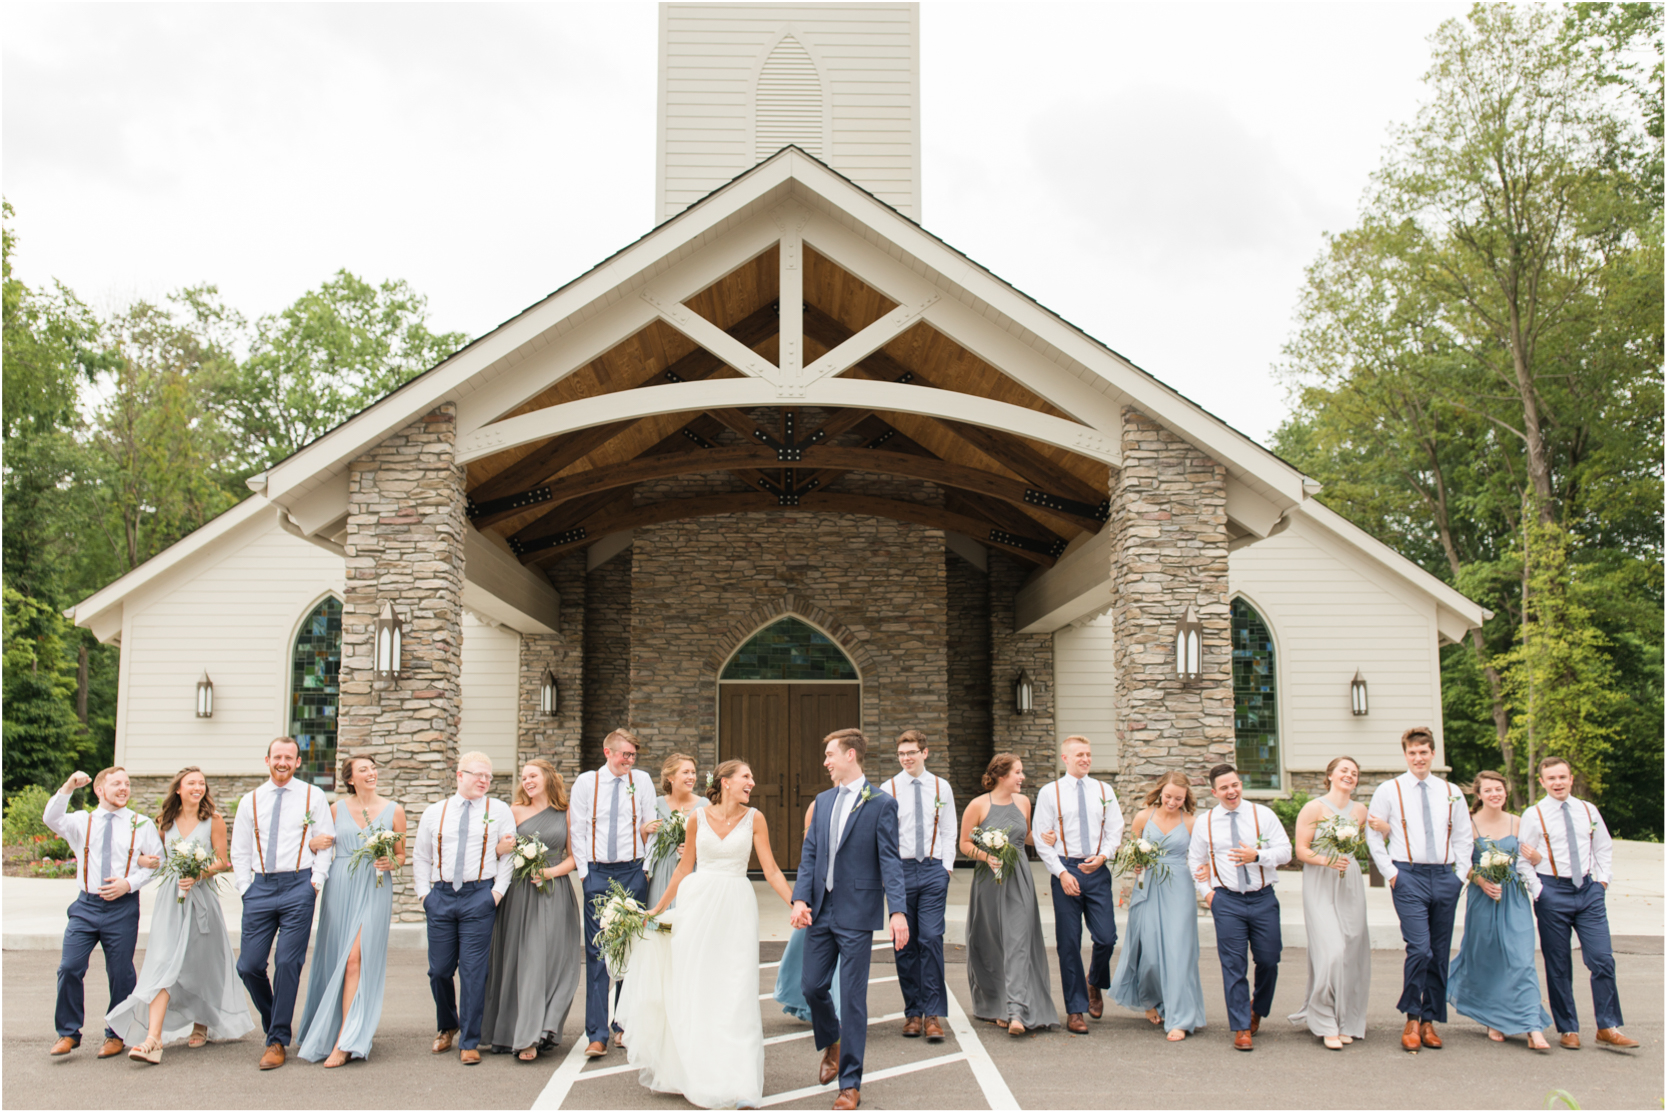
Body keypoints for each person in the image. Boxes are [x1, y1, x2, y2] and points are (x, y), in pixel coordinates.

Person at [619, 759, 798, 1108]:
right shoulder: (696, 819)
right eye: (746, 776)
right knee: (697, 987)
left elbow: (773, 870)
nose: (753, 782)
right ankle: (694, 1072)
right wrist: (657, 909)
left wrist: (797, 904)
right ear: (726, 782)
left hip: (735, 906)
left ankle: (736, 1078)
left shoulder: (755, 818)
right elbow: (684, 869)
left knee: (734, 990)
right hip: (697, 905)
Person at [791, 728, 910, 1111]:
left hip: (858, 913)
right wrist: (799, 900)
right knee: (811, 987)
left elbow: (890, 861)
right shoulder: (823, 801)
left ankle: (850, 1083)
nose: (825, 762)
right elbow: (810, 855)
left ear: (851, 755)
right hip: (821, 912)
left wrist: (898, 911)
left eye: (830, 755)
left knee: (854, 999)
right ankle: (832, 1040)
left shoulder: (881, 803)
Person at [108, 767, 251, 1063]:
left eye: (201, 783)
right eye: (191, 783)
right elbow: (157, 860)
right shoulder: (164, 822)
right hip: (171, 900)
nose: (197, 787)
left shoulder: (214, 821)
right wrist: (146, 861)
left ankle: (202, 1021)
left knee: (202, 962)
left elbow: (223, 860)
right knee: (162, 961)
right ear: (178, 789)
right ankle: (153, 1038)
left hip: (202, 899)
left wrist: (199, 873)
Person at [1365, 726, 1474, 1052]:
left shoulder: (1451, 791)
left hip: (1444, 877)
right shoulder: (1389, 790)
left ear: (1432, 754)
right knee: (1420, 949)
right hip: (1408, 876)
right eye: (1412, 753)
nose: (1418, 758)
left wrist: (1460, 875)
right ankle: (1412, 1017)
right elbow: (1373, 834)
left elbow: (1464, 836)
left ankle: (1429, 1020)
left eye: (1423, 752)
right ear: (1406, 755)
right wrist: (1391, 873)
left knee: (1439, 953)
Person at [1518, 756, 1639, 1050]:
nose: (1558, 783)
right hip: (1552, 892)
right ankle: (1568, 1028)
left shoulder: (1588, 810)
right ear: (1543, 782)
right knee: (1558, 964)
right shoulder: (1534, 815)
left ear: (1571, 779)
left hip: (1588, 891)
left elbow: (1603, 847)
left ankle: (1608, 1026)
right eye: (1552, 778)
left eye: (1563, 777)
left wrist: (1602, 882)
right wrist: (1539, 891)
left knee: (1602, 959)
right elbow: (1523, 859)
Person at [230, 737, 336, 1070]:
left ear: (298, 762)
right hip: (259, 888)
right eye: (278, 756)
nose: (283, 762)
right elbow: (240, 849)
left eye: (289, 758)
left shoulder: (312, 796)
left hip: (297, 886)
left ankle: (276, 1040)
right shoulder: (251, 800)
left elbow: (327, 841)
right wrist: (245, 887)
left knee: (288, 963)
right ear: (267, 760)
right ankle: (276, 1017)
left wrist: (315, 884)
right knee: (248, 966)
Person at [44, 766, 164, 1059]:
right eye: (116, 784)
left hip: (122, 908)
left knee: (120, 972)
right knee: (69, 967)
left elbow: (158, 862)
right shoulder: (80, 821)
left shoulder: (141, 823)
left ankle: (116, 1034)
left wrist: (129, 883)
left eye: (127, 784)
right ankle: (68, 1033)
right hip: (85, 906)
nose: (124, 788)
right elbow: (51, 818)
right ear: (99, 789)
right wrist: (68, 787)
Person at [293, 754, 405, 1066]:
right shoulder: (334, 809)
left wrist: (390, 862)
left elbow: (400, 855)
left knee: (355, 959)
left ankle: (346, 1040)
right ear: (350, 779)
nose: (371, 773)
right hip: (339, 886)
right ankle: (328, 1030)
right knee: (336, 962)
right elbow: (318, 844)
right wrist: (314, 843)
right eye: (363, 770)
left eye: (373, 768)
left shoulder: (395, 810)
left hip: (374, 886)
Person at [412, 751, 517, 1065]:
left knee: (474, 972)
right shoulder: (435, 812)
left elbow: (508, 854)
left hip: (479, 896)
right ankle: (447, 1025)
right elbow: (421, 856)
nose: (484, 781)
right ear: (460, 775)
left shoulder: (498, 810)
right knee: (439, 970)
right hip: (441, 897)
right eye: (477, 775)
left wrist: (496, 894)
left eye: (488, 776)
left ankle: (469, 1041)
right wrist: (424, 896)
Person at [481, 759, 583, 1061]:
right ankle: (523, 1036)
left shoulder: (566, 814)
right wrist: (502, 849)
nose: (527, 781)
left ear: (548, 778)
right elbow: (497, 850)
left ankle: (544, 1026)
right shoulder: (513, 812)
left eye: (533, 775)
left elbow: (574, 858)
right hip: (520, 893)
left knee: (553, 962)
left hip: (553, 891)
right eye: (523, 777)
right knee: (523, 961)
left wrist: (549, 874)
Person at [1187, 763, 1292, 1051]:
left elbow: (1286, 852)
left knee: (1269, 960)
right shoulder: (1205, 822)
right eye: (1224, 787)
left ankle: (1257, 1007)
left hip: (1263, 898)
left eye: (1234, 785)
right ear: (1214, 791)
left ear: (1240, 784)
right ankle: (1242, 1026)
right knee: (1233, 965)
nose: (1231, 791)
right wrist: (1208, 894)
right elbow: (1195, 860)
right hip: (1227, 901)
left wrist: (1256, 855)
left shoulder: (1263, 815)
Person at [1445, 769, 1552, 1051]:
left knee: (1521, 960)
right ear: (1479, 795)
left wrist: (1537, 858)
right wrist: (1480, 880)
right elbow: (1459, 862)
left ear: (1505, 792)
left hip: (1514, 897)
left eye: (1499, 789)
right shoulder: (1468, 824)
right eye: (1488, 790)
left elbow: (1534, 860)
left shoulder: (1520, 821)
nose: (1495, 794)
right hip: (1484, 897)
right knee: (1488, 958)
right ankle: (1493, 1017)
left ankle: (1532, 1026)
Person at [568, 728, 656, 1058]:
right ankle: (596, 1033)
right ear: (608, 752)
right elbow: (577, 829)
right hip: (598, 873)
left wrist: (646, 868)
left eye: (633, 756)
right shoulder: (586, 784)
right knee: (598, 952)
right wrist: (585, 873)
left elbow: (651, 824)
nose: (629, 761)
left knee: (630, 948)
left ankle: (623, 1024)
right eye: (625, 755)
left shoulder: (642, 780)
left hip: (633, 871)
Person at [959, 752, 1058, 1039]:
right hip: (988, 881)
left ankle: (1017, 1011)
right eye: (1018, 772)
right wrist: (985, 856)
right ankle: (997, 1005)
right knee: (991, 942)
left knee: (1018, 941)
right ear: (1002, 776)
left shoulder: (1024, 802)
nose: (1022, 777)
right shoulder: (978, 805)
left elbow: (1024, 836)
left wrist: (1042, 838)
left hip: (1018, 879)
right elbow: (964, 843)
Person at [1031, 735, 1123, 1035]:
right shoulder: (1050, 793)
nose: (1085, 759)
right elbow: (1041, 837)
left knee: (1106, 937)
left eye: (1088, 754)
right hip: (1066, 869)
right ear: (1065, 758)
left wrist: (1104, 856)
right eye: (1079, 754)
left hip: (1097, 869)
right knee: (1069, 943)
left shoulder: (1104, 790)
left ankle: (1094, 981)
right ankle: (1075, 1009)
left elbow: (1114, 830)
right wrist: (1060, 873)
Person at [1107, 771, 1204, 1041]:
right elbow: (1131, 848)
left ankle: (1179, 1018)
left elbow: (1198, 856)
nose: (1172, 802)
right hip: (1147, 886)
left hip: (1178, 889)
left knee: (1178, 952)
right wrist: (1135, 861)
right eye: (1168, 796)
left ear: (1186, 798)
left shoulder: (1191, 823)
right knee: (1148, 951)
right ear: (1160, 792)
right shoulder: (1143, 817)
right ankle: (1149, 1001)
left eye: (1179, 798)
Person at [1287, 756, 1371, 1050]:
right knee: (1331, 951)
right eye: (1344, 770)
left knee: (1351, 950)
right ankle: (1323, 1020)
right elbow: (1301, 850)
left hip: (1350, 882)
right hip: (1321, 882)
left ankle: (1346, 1020)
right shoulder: (1314, 808)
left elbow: (1371, 838)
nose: (1350, 775)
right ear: (1331, 775)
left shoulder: (1360, 810)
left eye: (1355, 773)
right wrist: (1327, 860)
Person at [877, 729, 955, 1043]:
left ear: (925, 752)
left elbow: (949, 829)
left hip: (934, 869)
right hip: (901, 871)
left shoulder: (941, 786)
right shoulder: (888, 788)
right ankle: (913, 1012)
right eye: (902, 754)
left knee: (932, 938)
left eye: (912, 752)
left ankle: (933, 1015)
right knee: (905, 943)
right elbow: (883, 838)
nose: (906, 758)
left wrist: (947, 867)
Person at [774, 799, 842, 1024]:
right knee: (808, 948)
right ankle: (810, 1004)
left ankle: (841, 1010)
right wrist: (801, 900)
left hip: (849, 891)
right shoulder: (816, 806)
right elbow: (809, 856)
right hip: (820, 891)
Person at [641, 751, 708, 911]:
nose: (691, 777)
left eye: (693, 772)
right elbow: (647, 844)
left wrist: (696, 850)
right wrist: (644, 829)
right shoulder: (655, 804)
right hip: (662, 872)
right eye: (685, 772)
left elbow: (713, 840)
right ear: (670, 777)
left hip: (694, 872)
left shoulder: (705, 805)